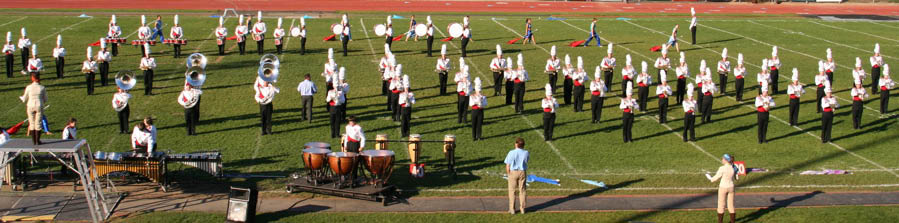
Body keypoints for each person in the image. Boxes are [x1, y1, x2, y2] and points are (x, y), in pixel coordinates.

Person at [706, 154, 739, 223]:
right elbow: (737, 178)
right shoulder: (733, 167)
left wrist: (709, 177)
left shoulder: (722, 168)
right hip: (731, 187)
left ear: (726, 160)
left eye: (723, 159)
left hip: (723, 187)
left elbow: (715, 178)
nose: (722, 160)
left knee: (721, 206)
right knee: (731, 206)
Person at [505, 137, 529, 214]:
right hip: (522, 172)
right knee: (522, 190)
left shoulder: (511, 152)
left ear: (516, 144)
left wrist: (508, 173)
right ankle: (522, 209)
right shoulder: (526, 152)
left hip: (513, 172)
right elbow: (526, 161)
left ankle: (512, 209)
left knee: (512, 191)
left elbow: (508, 165)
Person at [21, 73, 47, 145]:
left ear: (32, 78)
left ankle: (33, 141)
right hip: (39, 105)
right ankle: (38, 141)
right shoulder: (42, 87)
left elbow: (24, 98)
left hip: (30, 105)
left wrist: (22, 98)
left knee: (31, 122)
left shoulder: (29, 87)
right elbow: (45, 99)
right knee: (38, 123)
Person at [179, 70, 203, 136]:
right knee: (187, 120)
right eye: (187, 86)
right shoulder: (184, 92)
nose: (187, 87)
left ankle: (193, 131)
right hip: (186, 108)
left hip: (192, 107)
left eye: (189, 86)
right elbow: (181, 99)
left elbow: (200, 92)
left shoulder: (194, 92)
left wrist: (195, 89)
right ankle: (188, 132)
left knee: (192, 120)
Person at [255, 68, 279, 135]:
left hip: (269, 104)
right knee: (263, 119)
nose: (265, 82)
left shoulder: (271, 88)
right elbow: (256, 96)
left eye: (266, 82)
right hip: (262, 105)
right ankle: (263, 131)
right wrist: (259, 100)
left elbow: (278, 90)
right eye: (264, 81)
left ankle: (269, 131)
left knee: (269, 119)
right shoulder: (260, 89)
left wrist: (272, 86)